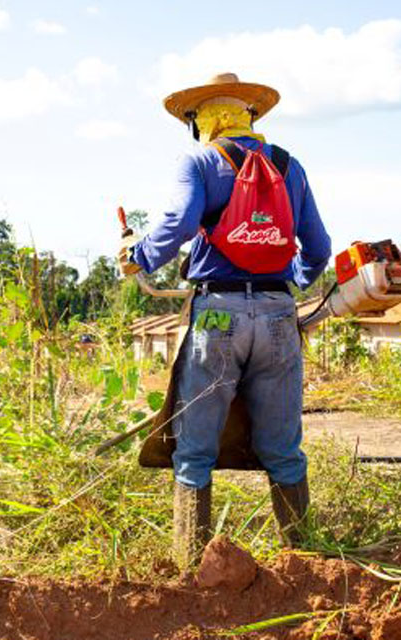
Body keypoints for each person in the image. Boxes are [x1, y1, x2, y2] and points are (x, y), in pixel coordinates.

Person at [119, 72, 331, 568]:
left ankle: (193, 567)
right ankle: (306, 565)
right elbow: (318, 248)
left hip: (217, 315)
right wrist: (286, 284)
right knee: (283, 448)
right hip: (280, 316)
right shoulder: (289, 166)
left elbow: (179, 224)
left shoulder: (199, 160)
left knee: (195, 450)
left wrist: (139, 256)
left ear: (202, 122)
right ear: (249, 117)